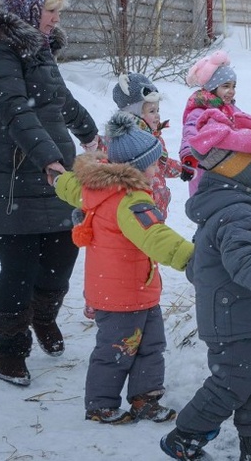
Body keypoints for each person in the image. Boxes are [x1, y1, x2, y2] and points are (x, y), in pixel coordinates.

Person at [0, 0, 99, 387]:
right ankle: (9, 350)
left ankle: (43, 318)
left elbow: (59, 98)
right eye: (50, 10)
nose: (55, 19)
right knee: (19, 268)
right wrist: (50, 161)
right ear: (26, 9)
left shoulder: (39, 51)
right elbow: (16, 112)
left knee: (62, 257)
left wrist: (91, 133)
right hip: (7, 178)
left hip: (53, 172)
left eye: (58, 11)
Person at [160, 109, 251, 461]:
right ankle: (184, 437)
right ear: (239, 171)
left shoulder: (228, 207)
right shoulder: (238, 213)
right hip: (233, 321)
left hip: (248, 317)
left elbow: (204, 266)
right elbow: (243, 259)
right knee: (230, 386)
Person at [55, 112, 194, 424]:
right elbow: (155, 236)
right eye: (153, 163)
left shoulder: (97, 188)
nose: (157, 168)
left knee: (151, 346)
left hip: (138, 289)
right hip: (120, 296)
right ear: (136, 168)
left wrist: (56, 177)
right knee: (116, 351)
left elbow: (69, 185)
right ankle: (100, 404)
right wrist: (192, 258)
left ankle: (145, 398)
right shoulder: (131, 201)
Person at [180, 50, 251, 196]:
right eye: (226, 86)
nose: (231, 91)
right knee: (208, 204)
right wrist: (188, 158)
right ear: (213, 86)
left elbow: (245, 123)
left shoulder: (231, 109)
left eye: (233, 86)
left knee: (225, 204)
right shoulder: (199, 111)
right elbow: (190, 134)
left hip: (226, 168)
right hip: (203, 169)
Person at [108, 72, 182, 215]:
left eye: (158, 110)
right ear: (134, 112)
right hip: (139, 214)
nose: (158, 115)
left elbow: (160, 166)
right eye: (152, 111)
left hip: (156, 212)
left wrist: (183, 169)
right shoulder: (125, 144)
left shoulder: (153, 137)